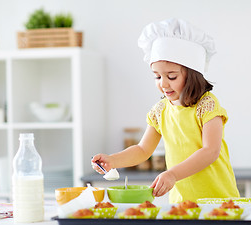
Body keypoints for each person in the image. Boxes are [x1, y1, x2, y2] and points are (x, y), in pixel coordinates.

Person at [92, 18, 240, 203]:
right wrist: (113, 161)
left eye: (171, 76)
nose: (163, 83)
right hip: (181, 202)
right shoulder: (160, 110)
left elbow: (210, 151)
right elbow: (142, 149)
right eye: (157, 76)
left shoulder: (207, 105)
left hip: (218, 199)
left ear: (192, 74)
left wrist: (172, 174)